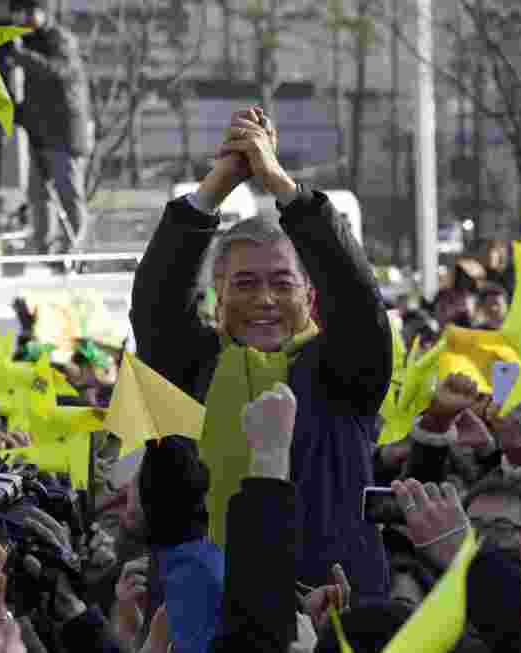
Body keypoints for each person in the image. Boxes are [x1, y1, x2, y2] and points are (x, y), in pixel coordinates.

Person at [131, 108, 393, 600]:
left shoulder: (343, 369)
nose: (265, 299)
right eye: (245, 284)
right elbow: (157, 303)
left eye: (282, 282)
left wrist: (279, 184)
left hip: (329, 610)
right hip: (209, 611)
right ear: (218, 295)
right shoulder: (192, 364)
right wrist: (219, 183)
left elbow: (357, 298)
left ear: (310, 296)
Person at [5, 0, 94, 256]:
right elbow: (36, 94)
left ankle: (77, 252)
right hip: (40, 133)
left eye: (29, 13)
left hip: (65, 134)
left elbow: (57, 72)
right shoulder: (27, 44)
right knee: (38, 194)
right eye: (20, 14)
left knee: (69, 194)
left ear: (43, 13)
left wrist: (21, 56)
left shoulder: (60, 40)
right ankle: (45, 250)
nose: (23, 19)